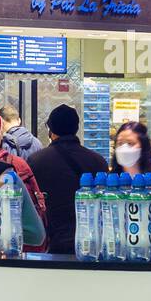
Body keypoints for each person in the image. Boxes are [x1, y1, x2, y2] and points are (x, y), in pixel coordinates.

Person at [28, 104, 109, 254]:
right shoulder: (98, 161)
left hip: (51, 242)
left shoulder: (36, 160)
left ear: (51, 130)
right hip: (91, 241)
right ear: (76, 128)